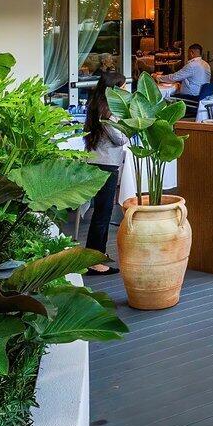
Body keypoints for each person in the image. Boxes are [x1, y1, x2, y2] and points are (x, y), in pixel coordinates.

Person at [81, 72, 129, 275]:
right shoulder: (107, 113)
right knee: (102, 213)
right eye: (124, 87)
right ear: (115, 89)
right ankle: (94, 260)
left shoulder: (96, 107)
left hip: (97, 162)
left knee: (101, 212)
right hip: (106, 165)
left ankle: (97, 255)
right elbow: (120, 139)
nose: (126, 90)